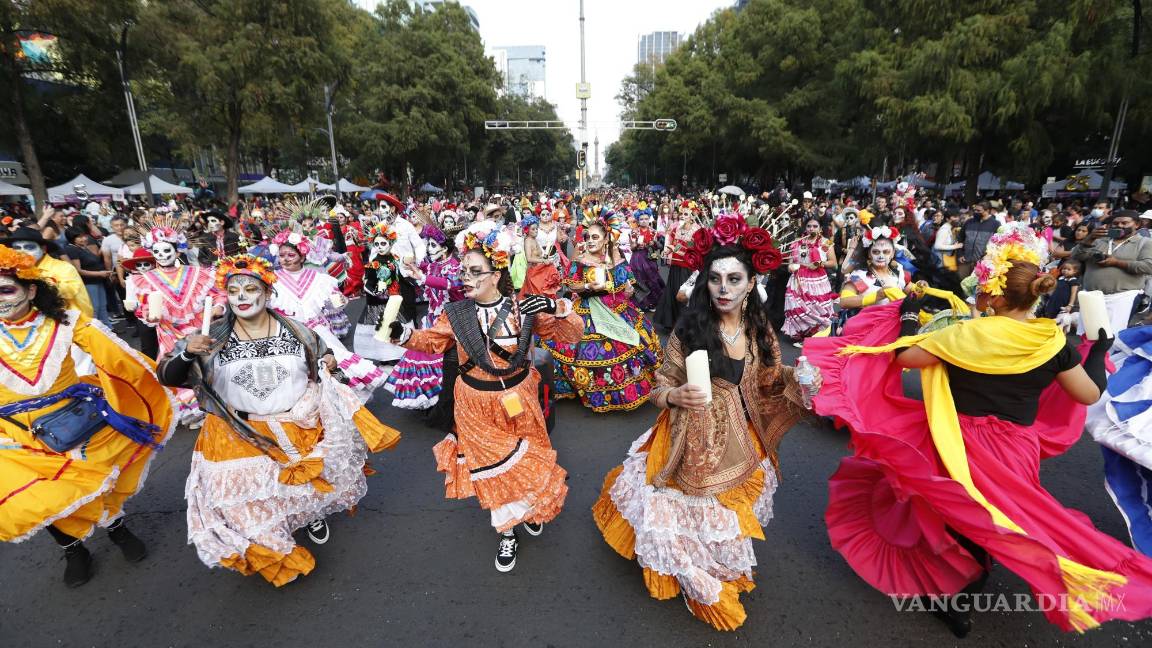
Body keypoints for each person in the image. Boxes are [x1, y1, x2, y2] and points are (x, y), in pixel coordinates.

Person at [805, 224, 1152, 635]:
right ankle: (967, 592)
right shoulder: (1053, 343)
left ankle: (954, 592)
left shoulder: (964, 334)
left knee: (960, 516)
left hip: (957, 442)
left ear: (994, 292)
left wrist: (910, 318)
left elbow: (905, 360)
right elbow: (1089, 394)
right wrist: (1099, 348)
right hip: (1016, 449)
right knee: (996, 519)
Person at [592, 231, 811, 631]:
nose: (723, 289)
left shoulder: (759, 328)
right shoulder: (690, 328)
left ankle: (716, 564)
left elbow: (768, 380)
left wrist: (800, 377)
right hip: (688, 441)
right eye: (715, 279)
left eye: (734, 279)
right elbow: (658, 384)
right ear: (704, 281)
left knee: (725, 519)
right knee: (678, 515)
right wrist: (675, 395)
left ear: (751, 283)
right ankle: (694, 578)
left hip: (739, 443)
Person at [157, 255, 400, 587]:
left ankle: (307, 514)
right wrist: (187, 353)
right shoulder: (210, 337)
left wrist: (329, 362)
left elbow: (323, 365)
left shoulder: (298, 331)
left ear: (267, 294)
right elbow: (168, 376)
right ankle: (277, 548)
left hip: (294, 427)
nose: (241, 296)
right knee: (249, 502)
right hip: (235, 432)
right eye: (233, 290)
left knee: (298, 485)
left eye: (250, 288)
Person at [388, 229, 581, 572]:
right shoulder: (457, 313)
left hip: (521, 395)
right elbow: (431, 341)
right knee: (492, 468)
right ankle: (507, 531)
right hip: (474, 402)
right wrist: (401, 333)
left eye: (475, 271)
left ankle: (526, 508)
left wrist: (559, 306)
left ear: (496, 275)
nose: (466, 278)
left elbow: (569, 335)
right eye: (464, 271)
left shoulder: (525, 308)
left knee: (526, 460)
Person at [0, 245, 175, 586]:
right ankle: (73, 549)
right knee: (41, 498)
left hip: (75, 424)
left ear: (31, 289)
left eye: (6, 290)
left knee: (97, 485)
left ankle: (117, 530)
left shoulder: (64, 322)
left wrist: (164, 377)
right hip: (14, 435)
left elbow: (116, 357)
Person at [548, 216, 663, 412]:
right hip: (586, 308)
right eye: (587, 237)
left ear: (605, 239)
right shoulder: (581, 258)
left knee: (631, 342)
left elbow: (627, 284)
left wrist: (628, 290)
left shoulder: (615, 258)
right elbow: (569, 283)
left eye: (595, 237)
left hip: (616, 308)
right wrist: (586, 285)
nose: (590, 240)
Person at [386, 223, 464, 409]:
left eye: (433, 245)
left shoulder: (454, 266)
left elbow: (450, 284)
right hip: (433, 318)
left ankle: (448, 397)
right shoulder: (433, 264)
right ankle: (430, 397)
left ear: (445, 249)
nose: (429, 248)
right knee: (419, 353)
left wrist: (422, 277)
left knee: (442, 359)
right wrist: (406, 262)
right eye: (428, 244)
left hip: (452, 320)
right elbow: (416, 267)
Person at [1072, 210, 1152, 333]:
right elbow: (1076, 256)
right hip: (1091, 296)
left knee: (1112, 338)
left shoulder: (1145, 242)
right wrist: (1089, 238)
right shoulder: (1098, 240)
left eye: (1124, 223)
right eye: (1115, 223)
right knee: (1088, 336)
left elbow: (1148, 267)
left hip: (1122, 298)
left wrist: (1117, 263)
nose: (1119, 226)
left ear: (1137, 224)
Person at [5, 226, 92, 317]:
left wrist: (36, 280)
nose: (22, 252)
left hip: (65, 322)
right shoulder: (12, 270)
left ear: (43, 249)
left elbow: (70, 291)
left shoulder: (64, 268)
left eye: (29, 247)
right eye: (17, 248)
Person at [782, 216, 837, 344]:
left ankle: (816, 335)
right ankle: (801, 335)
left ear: (820, 228)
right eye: (809, 226)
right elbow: (791, 261)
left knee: (816, 308)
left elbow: (833, 262)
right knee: (797, 307)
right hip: (798, 279)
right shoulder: (797, 241)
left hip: (817, 280)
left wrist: (819, 264)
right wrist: (791, 267)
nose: (811, 228)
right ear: (805, 228)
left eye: (815, 226)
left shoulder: (826, 242)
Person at [63, 227, 115, 326]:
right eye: (79, 237)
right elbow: (79, 271)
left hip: (97, 281)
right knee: (94, 308)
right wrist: (100, 273)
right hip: (88, 283)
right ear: (72, 238)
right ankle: (96, 330)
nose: (84, 239)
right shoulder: (72, 249)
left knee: (102, 306)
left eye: (84, 236)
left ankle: (108, 329)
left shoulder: (82, 247)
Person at [627, 209, 665, 311]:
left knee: (653, 279)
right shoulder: (634, 231)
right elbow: (632, 247)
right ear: (638, 221)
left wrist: (654, 244)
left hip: (649, 258)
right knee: (639, 280)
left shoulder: (654, 232)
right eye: (641, 219)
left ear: (649, 219)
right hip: (637, 258)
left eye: (646, 219)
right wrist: (637, 245)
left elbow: (659, 246)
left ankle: (653, 303)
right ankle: (642, 304)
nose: (644, 221)